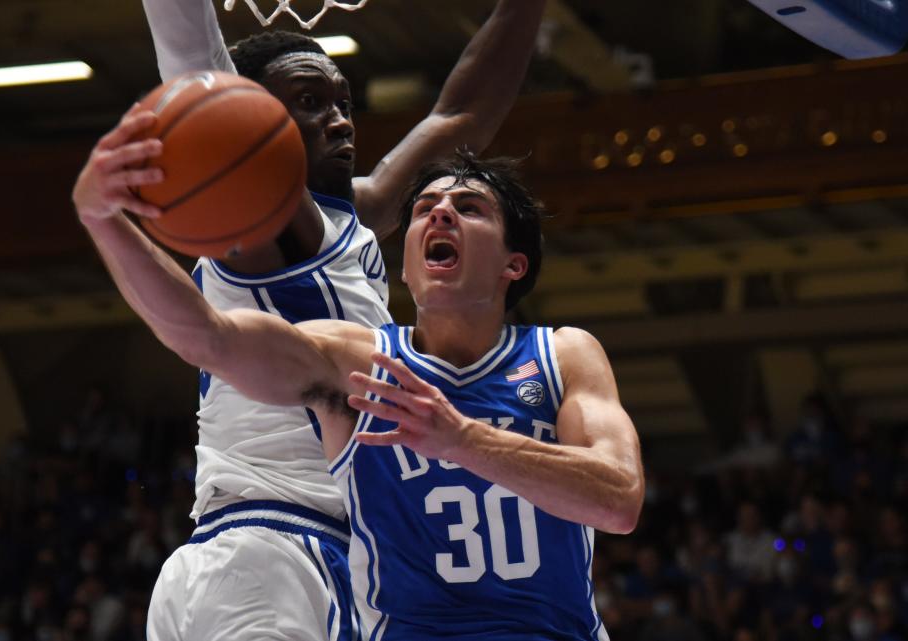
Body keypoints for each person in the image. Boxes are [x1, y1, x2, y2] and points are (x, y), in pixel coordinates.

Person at [88, 2, 547, 638]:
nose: (337, 121)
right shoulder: (263, 223)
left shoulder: (349, 218)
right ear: (251, 124)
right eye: (309, 102)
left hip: (314, 551)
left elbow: (459, 116)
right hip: (268, 551)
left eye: (342, 103)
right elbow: (196, 66)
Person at [74, 144, 645, 639]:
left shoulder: (563, 353)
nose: (440, 212)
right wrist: (104, 220)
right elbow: (207, 337)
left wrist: (463, 440)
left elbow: (618, 500)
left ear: (514, 265)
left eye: (469, 209)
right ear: (406, 271)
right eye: (424, 210)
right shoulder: (358, 362)